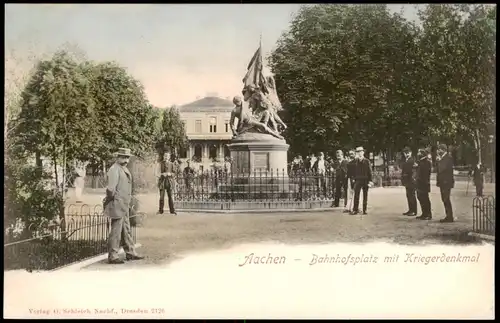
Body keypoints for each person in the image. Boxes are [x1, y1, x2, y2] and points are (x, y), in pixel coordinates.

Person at [104, 148, 144, 264]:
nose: (126, 160)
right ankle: (113, 255)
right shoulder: (114, 169)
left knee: (126, 229)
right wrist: (113, 199)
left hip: (124, 203)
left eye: (127, 157)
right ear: (118, 157)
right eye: (123, 157)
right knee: (116, 231)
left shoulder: (123, 168)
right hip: (117, 202)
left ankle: (130, 252)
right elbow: (111, 189)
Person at [351, 147, 373, 215]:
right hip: (358, 180)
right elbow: (353, 171)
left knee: (365, 195)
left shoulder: (367, 161)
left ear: (363, 152)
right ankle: (355, 209)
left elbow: (370, 171)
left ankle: (364, 210)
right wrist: (353, 178)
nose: (359, 153)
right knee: (356, 195)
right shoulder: (355, 161)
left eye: (360, 152)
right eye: (358, 152)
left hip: (365, 180)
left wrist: (370, 181)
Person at [436, 144, 455, 223]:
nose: (438, 151)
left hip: (446, 182)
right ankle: (448, 215)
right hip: (443, 182)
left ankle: (449, 216)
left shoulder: (447, 158)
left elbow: (442, 169)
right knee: (444, 199)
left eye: (439, 149)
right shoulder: (444, 158)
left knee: (446, 199)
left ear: (443, 150)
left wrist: (439, 161)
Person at [156, 150, 178, 215]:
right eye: (165, 156)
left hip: (169, 182)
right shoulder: (160, 164)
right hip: (162, 182)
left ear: (169, 157)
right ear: (163, 156)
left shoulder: (172, 164)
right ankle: (160, 211)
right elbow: (157, 173)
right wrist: (162, 174)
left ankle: (172, 210)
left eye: (167, 156)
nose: (166, 157)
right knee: (161, 197)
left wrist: (170, 174)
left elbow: (174, 173)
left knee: (170, 197)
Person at [415, 148, 432, 220]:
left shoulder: (426, 162)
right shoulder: (421, 162)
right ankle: (424, 213)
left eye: (420, 153)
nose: (418, 154)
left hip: (423, 184)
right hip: (420, 183)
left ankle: (428, 214)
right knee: (421, 198)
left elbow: (425, 174)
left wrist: (423, 182)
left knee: (425, 199)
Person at [401, 147, 418, 216]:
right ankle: (410, 209)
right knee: (408, 195)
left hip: (411, 180)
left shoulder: (412, 160)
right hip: (407, 180)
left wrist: (412, 178)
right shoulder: (406, 160)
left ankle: (414, 211)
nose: (406, 154)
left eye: (408, 152)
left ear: (410, 152)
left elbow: (414, 171)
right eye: (405, 153)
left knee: (412, 196)